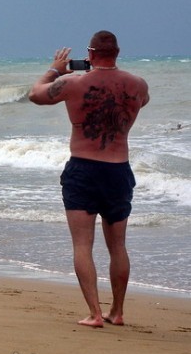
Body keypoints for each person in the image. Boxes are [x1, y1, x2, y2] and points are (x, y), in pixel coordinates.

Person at [28, 31, 149, 328]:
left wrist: (55, 68)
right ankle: (117, 311)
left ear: (90, 54)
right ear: (117, 52)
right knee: (118, 246)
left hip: (83, 169)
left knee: (83, 244)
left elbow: (36, 95)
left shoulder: (73, 82)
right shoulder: (138, 85)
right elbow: (140, 103)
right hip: (118, 170)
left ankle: (95, 313)